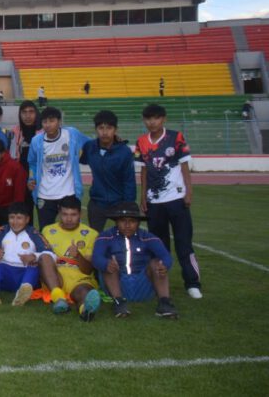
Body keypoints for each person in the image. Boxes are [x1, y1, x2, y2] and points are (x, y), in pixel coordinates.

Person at [135, 104, 201, 299]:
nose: (151, 122)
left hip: (176, 199)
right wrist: (143, 196)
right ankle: (160, 281)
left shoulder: (176, 137)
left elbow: (184, 166)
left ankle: (192, 283)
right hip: (154, 202)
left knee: (183, 243)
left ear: (163, 119)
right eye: (148, 119)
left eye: (155, 118)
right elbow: (144, 171)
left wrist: (188, 191)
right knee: (159, 245)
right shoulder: (141, 142)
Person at [91, 202, 178, 318]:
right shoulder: (105, 236)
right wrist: (106, 264)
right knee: (109, 264)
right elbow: (96, 258)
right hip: (116, 282)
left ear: (138, 222)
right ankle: (118, 302)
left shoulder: (148, 237)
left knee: (157, 263)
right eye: (123, 221)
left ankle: (164, 302)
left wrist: (164, 265)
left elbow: (166, 256)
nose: (127, 225)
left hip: (142, 283)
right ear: (116, 221)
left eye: (132, 221)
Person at [37, 196, 101, 321]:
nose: (69, 219)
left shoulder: (91, 234)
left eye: (73, 214)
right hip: (55, 276)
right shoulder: (48, 230)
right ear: (59, 213)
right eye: (65, 214)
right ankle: (59, 299)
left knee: (84, 292)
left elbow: (88, 270)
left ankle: (85, 310)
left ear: (80, 214)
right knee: (44, 256)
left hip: (79, 278)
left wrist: (78, 255)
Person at [27, 107, 90, 230]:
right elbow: (32, 162)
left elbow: (90, 144)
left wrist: (114, 139)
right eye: (44, 122)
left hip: (69, 192)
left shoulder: (71, 134)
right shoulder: (36, 141)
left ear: (59, 121)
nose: (48, 125)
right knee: (45, 231)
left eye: (51, 121)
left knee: (72, 229)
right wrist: (31, 178)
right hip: (44, 194)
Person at [0, 203, 54, 306]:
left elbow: (49, 253)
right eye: (12, 218)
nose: (15, 222)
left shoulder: (33, 233)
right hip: (4, 272)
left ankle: (22, 292)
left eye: (19, 218)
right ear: (8, 218)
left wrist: (34, 256)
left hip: (23, 272)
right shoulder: (1, 231)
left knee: (33, 268)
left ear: (27, 219)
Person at [81, 110, 136, 232]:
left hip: (119, 202)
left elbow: (129, 180)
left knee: (124, 236)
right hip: (97, 201)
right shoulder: (89, 147)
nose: (105, 132)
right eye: (101, 128)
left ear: (116, 130)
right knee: (95, 237)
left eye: (109, 128)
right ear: (96, 129)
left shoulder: (124, 151)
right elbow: (81, 159)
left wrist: (129, 205)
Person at [9, 101, 41, 219]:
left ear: (36, 113)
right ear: (20, 114)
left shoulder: (43, 132)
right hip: (21, 179)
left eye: (31, 112)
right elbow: (11, 156)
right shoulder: (15, 132)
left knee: (43, 214)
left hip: (41, 179)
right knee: (25, 214)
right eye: (24, 112)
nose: (28, 116)